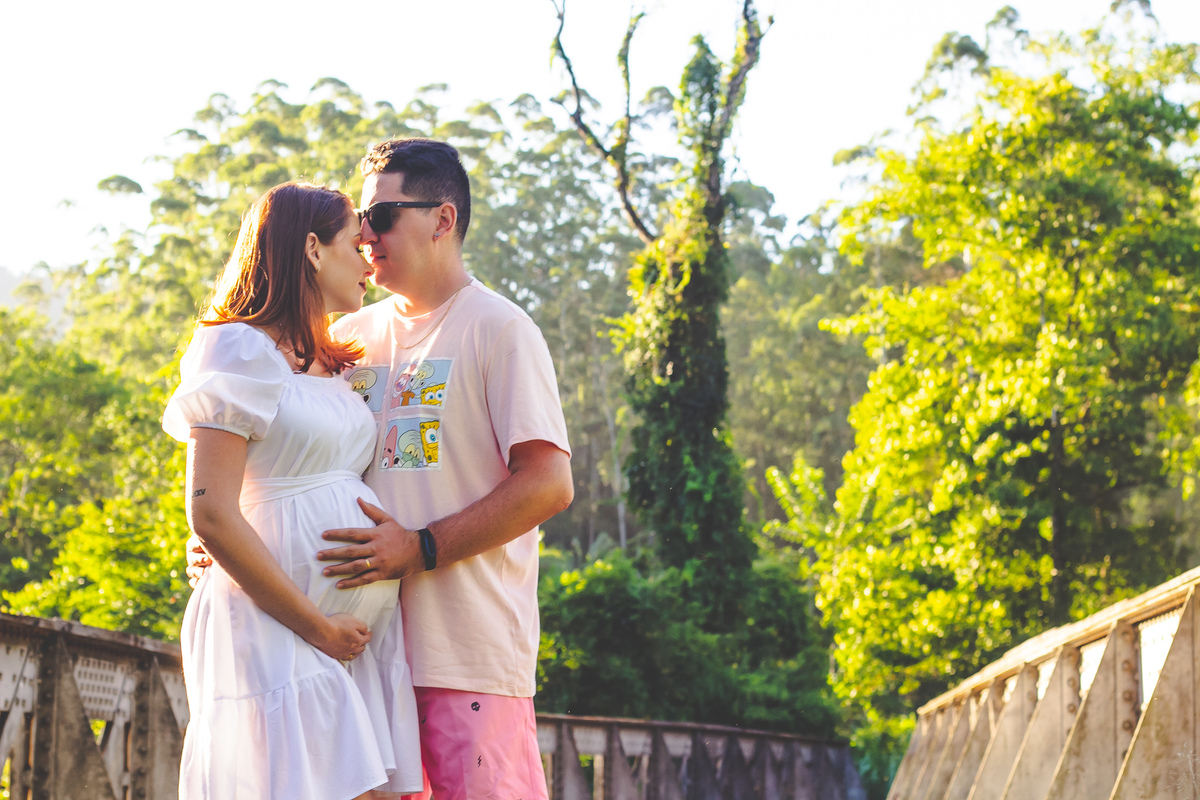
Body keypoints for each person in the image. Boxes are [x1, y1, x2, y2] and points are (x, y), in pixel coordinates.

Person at [319, 138, 574, 800]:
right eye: (358, 220)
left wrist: (420, 547)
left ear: (442, 219)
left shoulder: (499, 329)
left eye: (380, 217)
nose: (364, 235)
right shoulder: (349, 337)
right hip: (358, 651)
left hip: (466, 659)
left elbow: (548, 482)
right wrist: (217, 534)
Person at [163, 182, 423, 800]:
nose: (370, 262)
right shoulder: (237, 346)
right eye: (356, 245)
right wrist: (317, 627)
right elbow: (211, 511)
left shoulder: (333, 363)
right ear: (312, 249)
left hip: (342, 641)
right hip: (275, 627)